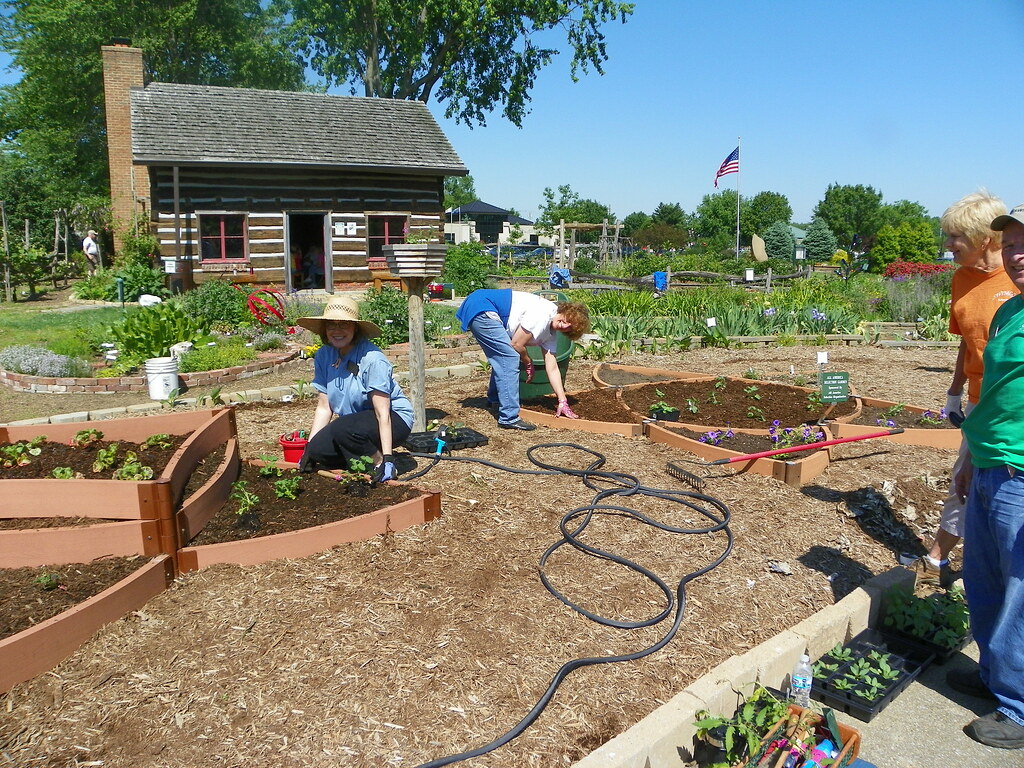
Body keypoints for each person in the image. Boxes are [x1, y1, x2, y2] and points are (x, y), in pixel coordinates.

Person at [907, 191, 1014, 588]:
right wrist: (955, 390)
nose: (948, 245)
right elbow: (967, 341)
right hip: (978, 402)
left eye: (956, 237)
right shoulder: (962, 279)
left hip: (1012, 406)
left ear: (986, 239)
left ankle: (953, 563)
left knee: (997, 487)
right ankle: (944, 561)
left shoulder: (1016, 278)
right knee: (966, 480)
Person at [948, 202, 1024, 749]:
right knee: (986, 578)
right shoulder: (1010, 313)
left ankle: (1018, 708)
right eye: (1013, 243)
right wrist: (973, 453)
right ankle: (996, 674)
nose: (1018, 255)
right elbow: (993, 395)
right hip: (991, 461)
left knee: (1020, 589)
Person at [296, 297, 413, 482]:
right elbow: (324, 407)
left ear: (355, 328)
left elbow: (382, 412)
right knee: (319, 450)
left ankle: (378, 463)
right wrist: (308, 449)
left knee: (344, 428)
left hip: (393, 418)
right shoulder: (324, 355)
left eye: (344, 324)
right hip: (355, 424)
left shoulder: (372, 359)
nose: (337, 331)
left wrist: (388, 458)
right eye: (331, 325)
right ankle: (358, 457)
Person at [456, 288, 590, 430]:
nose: (566, 325)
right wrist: (528, 361)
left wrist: (563, 401)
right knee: (509, 357)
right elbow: (516, 344)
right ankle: (509, 417)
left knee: (504, 355)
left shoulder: (551, 333)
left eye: (570, 328)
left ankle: (494, 400)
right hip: (482, 306)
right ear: (564, 311)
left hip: (482, 305)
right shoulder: (544, 314)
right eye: (568, 319)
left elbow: (552, 367)